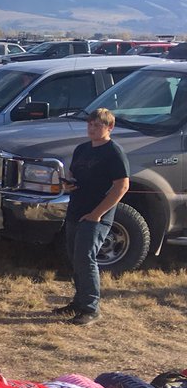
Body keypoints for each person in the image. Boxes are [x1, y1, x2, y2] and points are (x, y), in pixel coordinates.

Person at [52, 107, 129, 326]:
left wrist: (97, 213)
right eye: (90, 124)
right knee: (75, 257)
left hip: (97, 215)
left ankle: (90, 308)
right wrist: (69, 184)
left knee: (86, 258)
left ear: (109, 127)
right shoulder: (82, 149)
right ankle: (79, 302)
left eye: (98, 125)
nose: (92, 129)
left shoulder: (114, 152)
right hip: (76, 210)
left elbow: (122, 186)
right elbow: (73, 174)